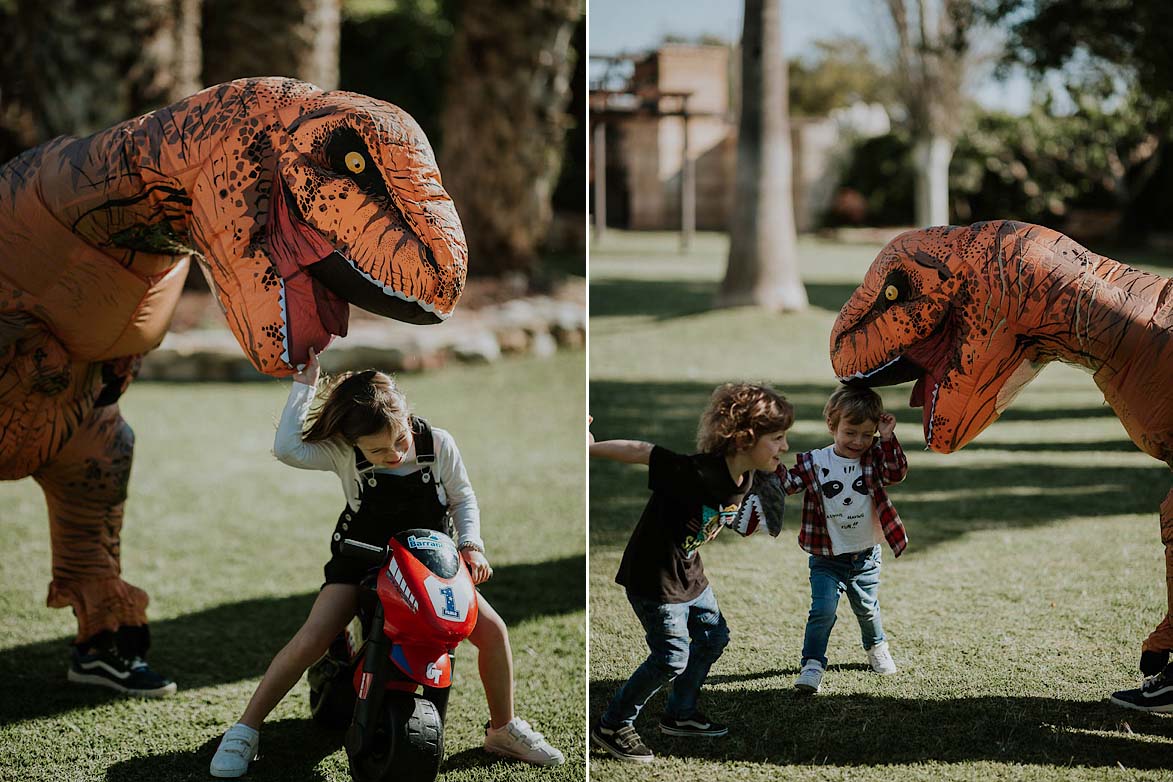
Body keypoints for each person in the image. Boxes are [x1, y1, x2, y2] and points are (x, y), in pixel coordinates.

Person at [209, 349, 564, 777]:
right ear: (352, 442)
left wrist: (471, 544)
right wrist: (305, 384)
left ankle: (503, 728)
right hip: (363, 560)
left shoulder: (438, 443)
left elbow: (462, 498)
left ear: (406, 417)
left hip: (430, 564)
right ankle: (246, 729)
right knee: (313, 637)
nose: (393, 454)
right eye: (377, 450)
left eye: (399, 441)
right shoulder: (342, 453)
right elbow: (286, 449)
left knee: (493, 631)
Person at [588, 384, 794, 763]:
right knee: (670, 657)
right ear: (746, 438)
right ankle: (612, 724)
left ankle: (679, 713)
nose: (784, 446)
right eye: (778, 438)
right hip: (655, 578)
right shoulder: (694, 471)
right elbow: (643, 451)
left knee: (714, 637)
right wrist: (587, 446)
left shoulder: (747, 474)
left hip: (689, 573)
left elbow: (767, 500)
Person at [778, 384, 908, 694]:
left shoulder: (875, 456)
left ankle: (876, 647)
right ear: (832, 425)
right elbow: (788, 482)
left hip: (864, 555)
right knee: (822, 610)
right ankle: (812, 664)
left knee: (867, 608)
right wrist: (763, 469)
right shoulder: (815, 462)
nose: (859, 441)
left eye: (867, 434)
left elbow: (896, 473)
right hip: (826, 556)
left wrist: (887, 438)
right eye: (850, 432)